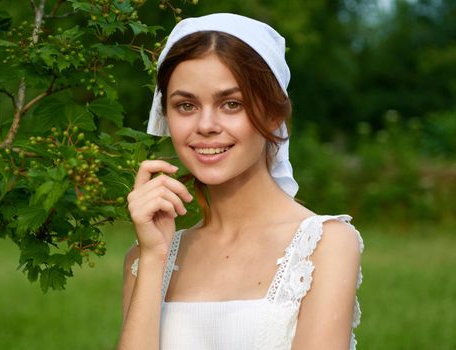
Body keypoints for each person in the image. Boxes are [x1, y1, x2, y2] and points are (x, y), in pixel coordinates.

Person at [118, 13, 363, 350]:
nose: (206, 125)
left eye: (231, 104)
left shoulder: (325, 244)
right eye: (186, 105)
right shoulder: (144, 257)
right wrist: (153, 257)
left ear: (274, 112)